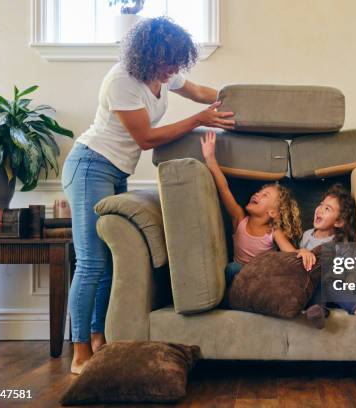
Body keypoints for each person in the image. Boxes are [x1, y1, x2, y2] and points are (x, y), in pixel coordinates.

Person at [61, 17, 235, 375]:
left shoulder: (164, 72)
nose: (173, 70)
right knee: (91, 262)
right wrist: (198, 120)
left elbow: (202, 92)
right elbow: (147, 139)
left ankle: (99, 341)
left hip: (116, 171)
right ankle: (79, 351)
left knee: (108, 263)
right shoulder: (122, 80)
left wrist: (235, 101)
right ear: (149, 55)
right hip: (90, 166)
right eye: (167, 62)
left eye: (177, 62)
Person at [199, 131, 306, 284]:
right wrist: (210, 159)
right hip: (238, 277)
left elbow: (290, 253)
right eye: (258, 192)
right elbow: (224, 189)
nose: (257, 194)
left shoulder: (273, 232)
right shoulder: (239, 219)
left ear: (273, 212)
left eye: (265, 195)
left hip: (261, 279)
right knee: (232, 269)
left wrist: (301, 252)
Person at [297, 184, 356, 330]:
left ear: (339, 222)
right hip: (313, 285)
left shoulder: (340, 243)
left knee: (332, 286)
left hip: (335, 286)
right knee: (315, 288)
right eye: (321, 205)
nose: (319, 210)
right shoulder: (306, 236)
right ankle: (318, 313)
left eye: (327, 209)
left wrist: (350, 285)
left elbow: (351, 268)